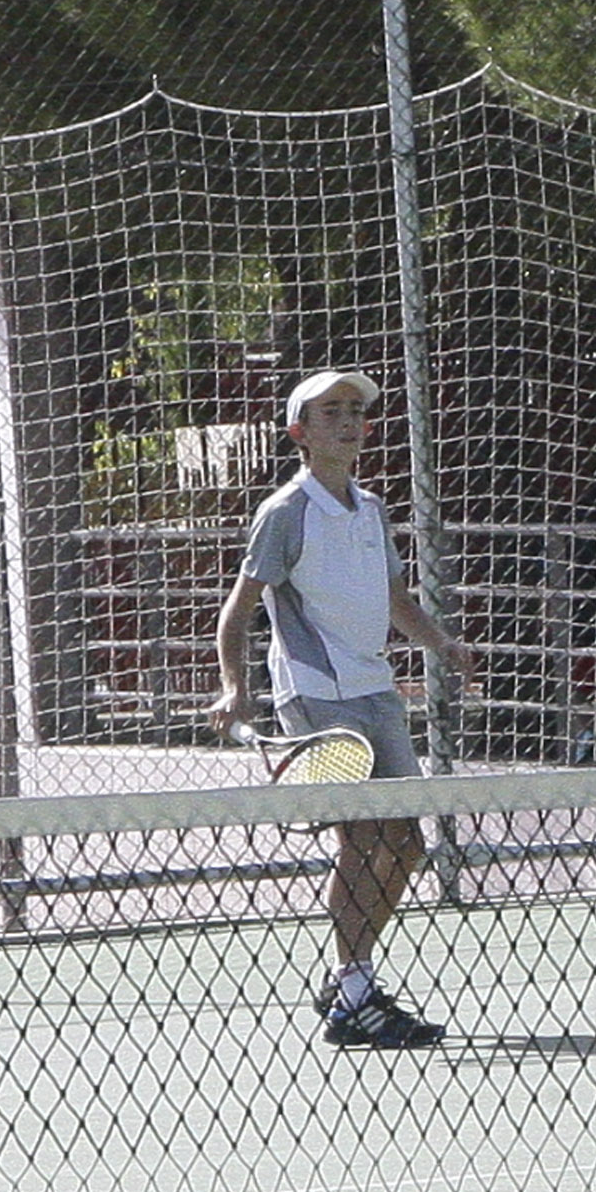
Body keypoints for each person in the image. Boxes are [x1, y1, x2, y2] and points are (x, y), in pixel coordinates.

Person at [206, 369, 480, 1048]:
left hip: (375, 690)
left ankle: (349, 982)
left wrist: (441, 642)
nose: (348, 422)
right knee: (362, 841)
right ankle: (356, 995)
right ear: (300, 432)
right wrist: (235, 687)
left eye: (355, 410)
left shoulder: (371, 509)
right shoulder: (285, 512)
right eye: (331, 412)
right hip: (315, 693)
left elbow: (395, 600)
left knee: (407, 844)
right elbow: (237, 612)